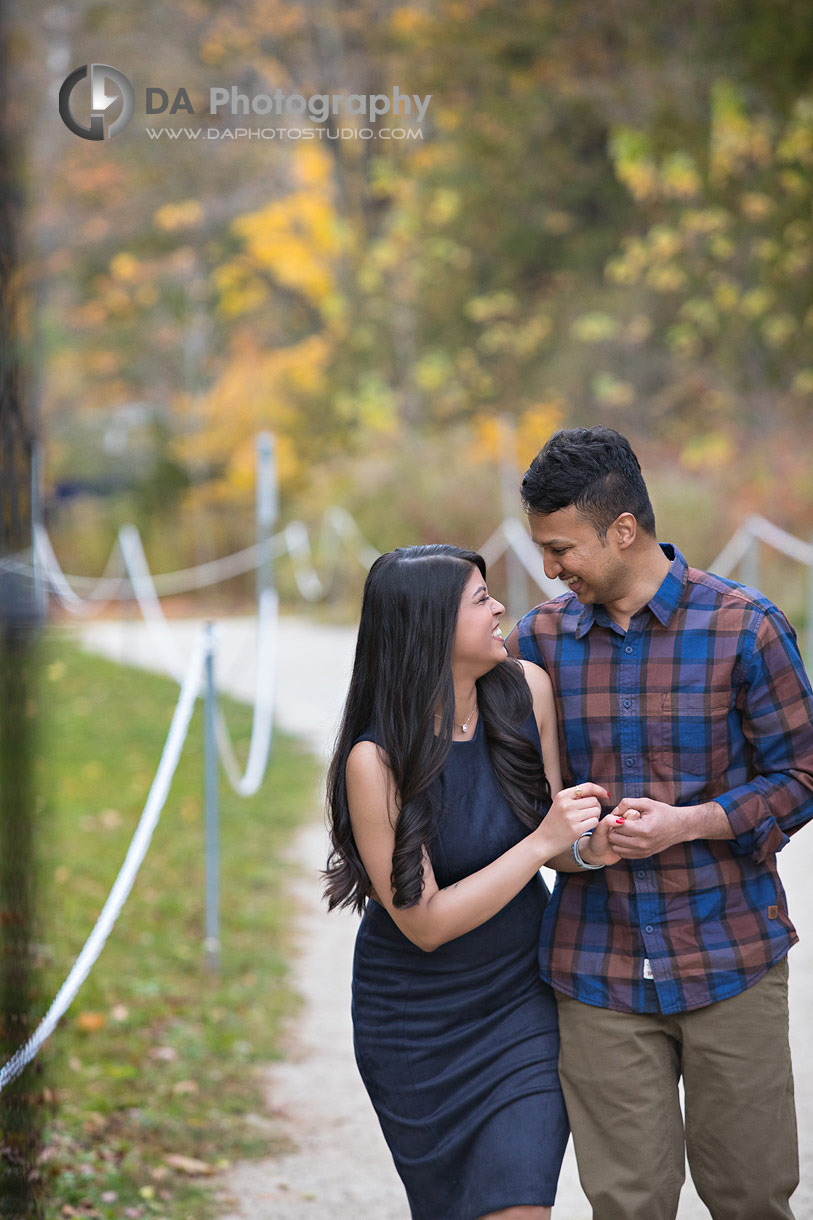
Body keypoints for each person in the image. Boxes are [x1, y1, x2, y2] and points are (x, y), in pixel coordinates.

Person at [505, 425, 813, 1220]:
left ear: (623, 530)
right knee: (626, 1204)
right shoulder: (538, 640)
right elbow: (515, 795)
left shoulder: (745, 627)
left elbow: (803, 774)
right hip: (595, 969)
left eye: (560, 547)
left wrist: (694, 822)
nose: (548, 569)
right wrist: (577, 840)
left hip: (729, 957)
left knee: (751, 1197)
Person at [324, 543, 616, 1220]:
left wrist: (594, 845)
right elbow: (424, 924)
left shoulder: (525, 691)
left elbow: (555, 849)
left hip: (520, 999)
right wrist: (547, 838)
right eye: (480, 601)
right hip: (415, 1021)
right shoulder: (376, 760)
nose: (499, 611)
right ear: (429, 628)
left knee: (516, 1204)